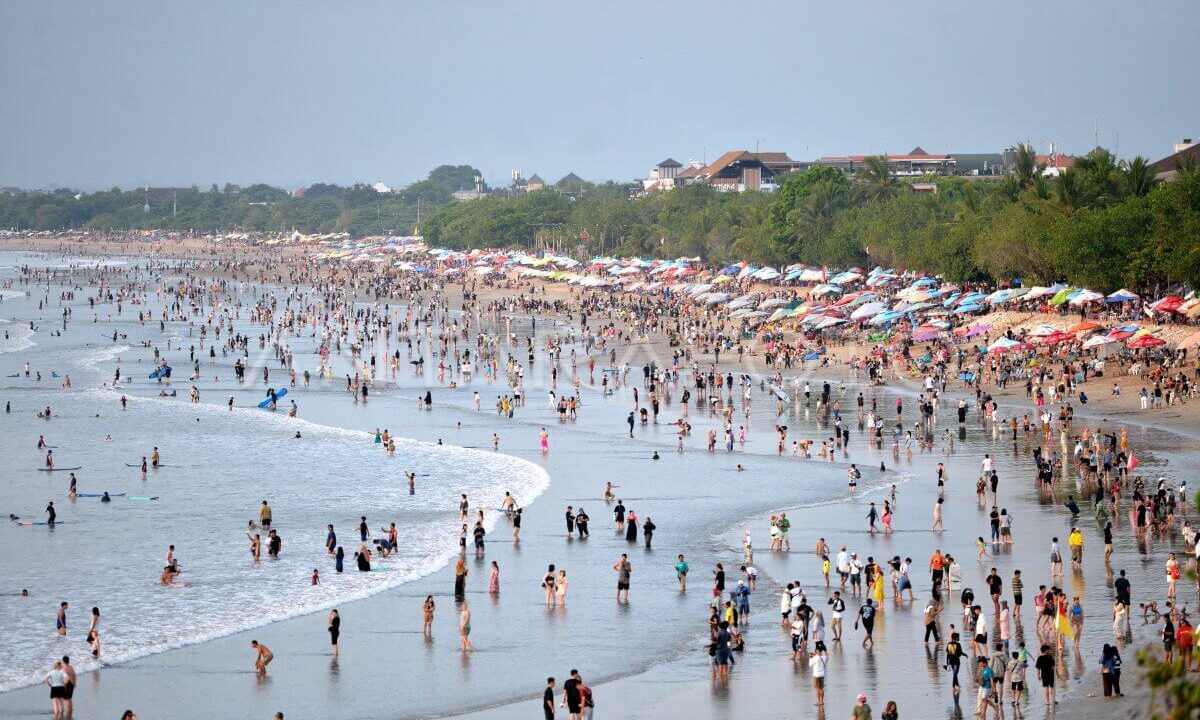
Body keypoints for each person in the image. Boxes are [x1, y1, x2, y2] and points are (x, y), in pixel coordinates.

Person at [809, 641, 827, 707]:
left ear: (817, 651)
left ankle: (818, 701)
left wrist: (810, 657)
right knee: (821, 688)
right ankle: (822, 701)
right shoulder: (824, 657)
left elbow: (810, 664)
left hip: (816, 675)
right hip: (822, 674)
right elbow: (824, 657)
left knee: (817, 689)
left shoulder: (815, 658)